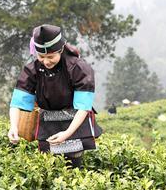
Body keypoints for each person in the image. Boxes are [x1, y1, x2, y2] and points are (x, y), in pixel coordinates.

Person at [8, 24, 102, 166]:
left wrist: (67, 133)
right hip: (48, 123)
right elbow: (17, 101)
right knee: (48, 165)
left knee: (73, 164)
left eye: (51, 56)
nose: (46, 61)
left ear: (61, 49)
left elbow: (84, 107)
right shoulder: (32, 69)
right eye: (41, 56)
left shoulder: (78, 68)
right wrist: (13, 127)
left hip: (74, 122)